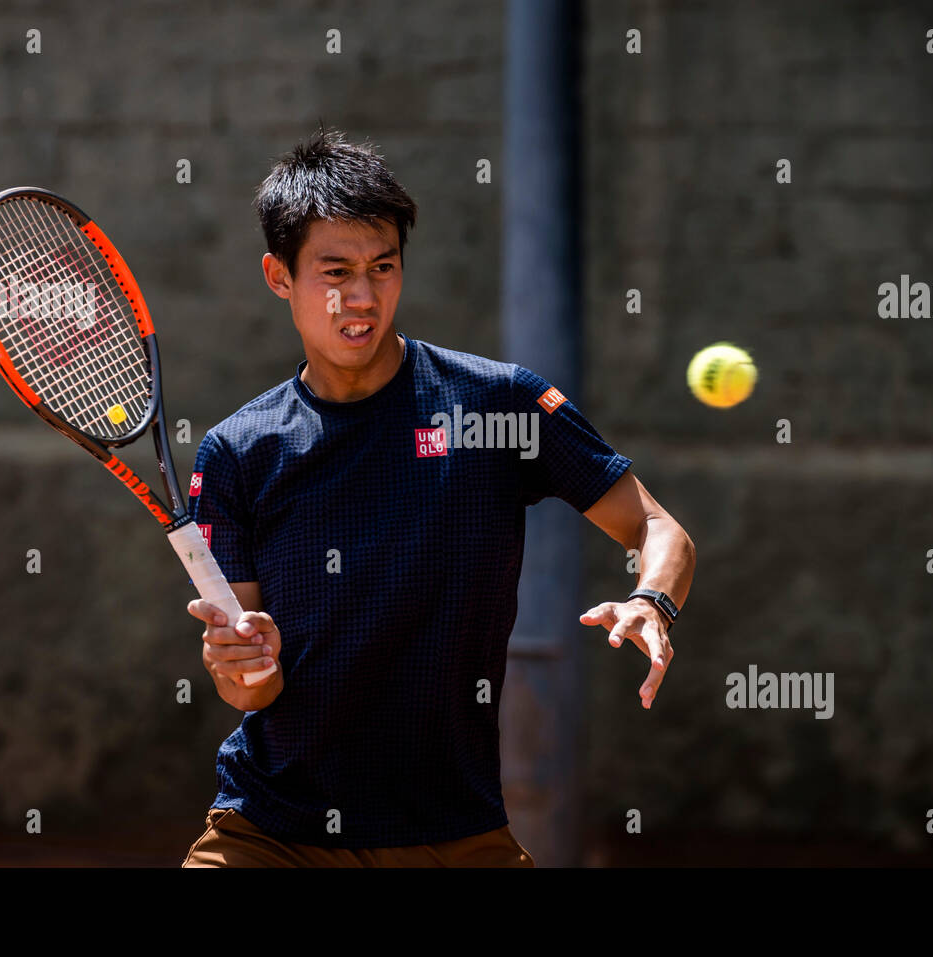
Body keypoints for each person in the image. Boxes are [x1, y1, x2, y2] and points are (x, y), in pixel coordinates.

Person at [180, 129, 695, 867]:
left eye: (382, 267)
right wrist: (241, 661)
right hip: (272, 834)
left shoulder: (499, 404)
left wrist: (653, 599)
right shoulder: (236, 452)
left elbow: (656, 525)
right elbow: (249, 690)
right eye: (335, 272)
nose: (362, 297)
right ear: (278, 275)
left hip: (453, 832)